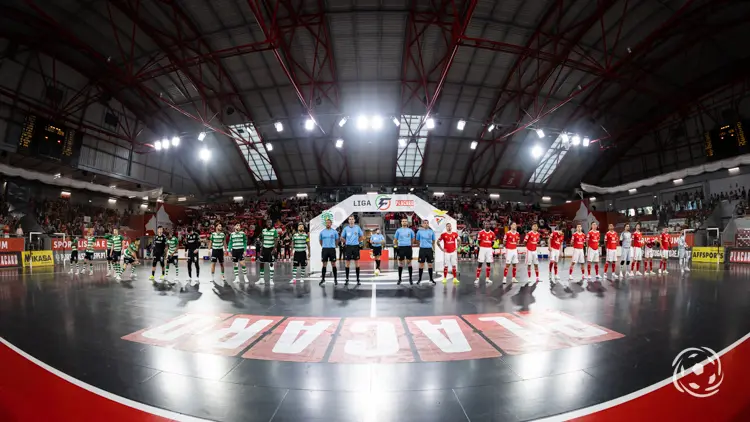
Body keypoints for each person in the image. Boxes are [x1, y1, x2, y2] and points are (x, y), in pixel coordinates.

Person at [340, 215, 364, 286]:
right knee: (347, 263)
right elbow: (341, 237)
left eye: (352, 219)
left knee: (357, 263)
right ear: (348, 221)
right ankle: (347, 279)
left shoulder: (357, 228)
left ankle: (358, 279)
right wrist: (346, 241)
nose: (351, 220)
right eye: (349, 219)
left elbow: (362, 236)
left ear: (354, 220)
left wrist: (357, 240)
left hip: (356, 246)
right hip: (348, 247)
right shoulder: (345, 229)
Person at [394, 218, 415, 285]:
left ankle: (410, 278)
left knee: (409, 262)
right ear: (401, 222)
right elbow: (395, 239)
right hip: (401, 248)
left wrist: (410, 245)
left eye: (405, 221)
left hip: (408, 247)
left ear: (407, 222)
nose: (404, 222)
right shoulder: (398, 230)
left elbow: (413, 239)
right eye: (403, 221)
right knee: (401, 263)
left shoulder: (410, 230)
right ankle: (400, 278)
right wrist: (397, 246)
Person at [415, 219, 436, 285]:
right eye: (424, 223)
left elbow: (433, 241)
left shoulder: (431, 231)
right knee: (421, 264)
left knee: (430, 264)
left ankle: (431, 279)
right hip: (422, 249)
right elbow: (417, 241)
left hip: (429, 249)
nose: (426, 224)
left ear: (428, 224)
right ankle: (419, 279)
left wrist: (433, 248)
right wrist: (421, 246)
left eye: (427, 223)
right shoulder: (419, 232)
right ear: (422, 224)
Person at [475, 221, 496, 285]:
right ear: (484, 225)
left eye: (488, 224)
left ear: (490, 225)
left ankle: (487, 278)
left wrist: (489, 246)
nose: (487, 225)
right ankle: (477, 278)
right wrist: (482, 246)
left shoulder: (492, 233)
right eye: (486, 224)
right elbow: (478, 241)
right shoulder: (481, 232)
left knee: (488, 263)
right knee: (480, 263)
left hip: (489, 249)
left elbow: (493, 242)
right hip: (482, 248)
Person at [319, 219, 339, 286]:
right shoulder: (322, 232)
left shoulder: (334, 232)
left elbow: (337, 240)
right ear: (325, 224)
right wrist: (324, 246)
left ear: (331, 223)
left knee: (333, 264)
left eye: (329, 223)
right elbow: (320, 241)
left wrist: (334, 246)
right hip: (325, 249)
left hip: (332, 249)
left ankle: (335, 279)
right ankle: (323, 279)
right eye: (326, 223)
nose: (328, 224)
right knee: (324, 264)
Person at [258, 220, 279, 285]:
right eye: (268, 222)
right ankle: (261, 279)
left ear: (272, 223)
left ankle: (271, 280)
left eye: (270, 222)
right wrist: (261, 247)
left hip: (271, 249)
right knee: (261, 263)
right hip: (264, 249)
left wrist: (274, 248)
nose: (269, 223)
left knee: (271, 263)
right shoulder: (263, 230)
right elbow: (262, 239)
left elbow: (276, 240)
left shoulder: (274, 231)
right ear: (266, 223)